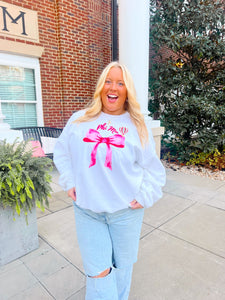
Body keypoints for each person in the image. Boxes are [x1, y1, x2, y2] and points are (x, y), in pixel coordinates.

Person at [53, 61, 166, 300]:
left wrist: (145, 196)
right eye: (108, 81)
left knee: (123, 268)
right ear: (101, 86)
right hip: (88, 211)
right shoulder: (79, 120)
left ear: (127, 91)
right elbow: (62, 152)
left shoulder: (138, 126)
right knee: (99, 274)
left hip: (126, 213)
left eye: (120, 83)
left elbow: (154, 170)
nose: (112, 87)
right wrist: (69, 181)